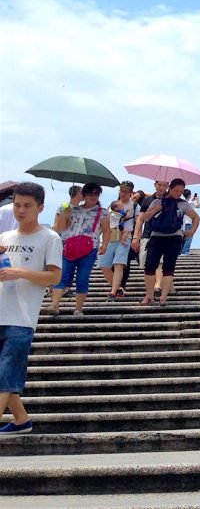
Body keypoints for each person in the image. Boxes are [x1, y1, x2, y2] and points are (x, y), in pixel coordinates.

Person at [0, 183, 63, 435]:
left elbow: (55, 277)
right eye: (17, 205)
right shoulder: (4, 237)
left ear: (40, 208)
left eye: (27, 206)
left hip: (22, 317)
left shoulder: (49, 237)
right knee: (6, 372)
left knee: (6, 373)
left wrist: (20, 272)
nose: (21, 210)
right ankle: (21, 420)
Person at [133, 178, 199, 307]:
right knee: (149, 267)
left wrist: (191, 232)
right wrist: (156, 208)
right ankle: (149, 295)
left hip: (174, 237)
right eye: (176, 190)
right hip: (156, 236)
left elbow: (196, 217)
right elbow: (145, 218)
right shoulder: (157, 201)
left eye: (181, 191)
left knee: (169, 268)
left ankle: (163, 298)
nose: (179, 193)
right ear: (170, 188)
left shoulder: (183, 204)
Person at [50, 182, 110, 317]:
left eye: (96, 193)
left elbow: (106, 230)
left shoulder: (102, 212)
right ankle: (54, 304)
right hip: (69, 245)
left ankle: (78, 308)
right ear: (83, 195)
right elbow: (61, 228)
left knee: (83, 277)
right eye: (89, 193)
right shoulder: (72, 209)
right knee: (63, 274)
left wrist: (105, 245)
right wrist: (65, 216)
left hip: (90, 248)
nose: (93, 196)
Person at [97, 181, 137, 299]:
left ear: (130, 192)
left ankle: (113, 292)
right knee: (104, 265)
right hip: (109, 236)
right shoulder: (112, 205)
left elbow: (138, 221)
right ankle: (118, 288)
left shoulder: (134, 206)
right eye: (121, 191)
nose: (123, 193)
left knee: (119, 264)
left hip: (125, 236)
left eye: (126, 191)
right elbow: (105, 221)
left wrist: (136, 238)